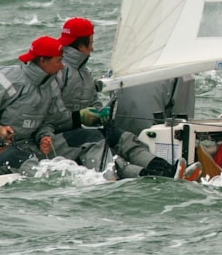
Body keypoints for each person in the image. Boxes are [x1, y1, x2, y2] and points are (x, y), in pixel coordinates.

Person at [0, 36, 111, 176]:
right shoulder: (7, 80)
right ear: (43, 61)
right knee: (39, 171)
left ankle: (105, 180)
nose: (62, 66)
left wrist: (45, 137)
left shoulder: (51, 84)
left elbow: (50, 122)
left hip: (36, 147)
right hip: (5, 152)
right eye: (59, 61)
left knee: (92, 137)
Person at [54, 17, 176, 178]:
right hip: (57, 137)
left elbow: (94, 103)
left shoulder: (84, 73)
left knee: (123, 137)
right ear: (82, 46)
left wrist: (101, 114)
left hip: (79, 133)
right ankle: (146, 174)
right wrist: (79, 117)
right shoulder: (57, 71)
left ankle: (163, 167)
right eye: (91, 43)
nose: (93, 48)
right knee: (100, 145)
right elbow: (49, 115)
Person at [113, 75, 196, 136]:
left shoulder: (121, 68)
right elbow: (183, 123)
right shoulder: (184, 74)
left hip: (118, 137)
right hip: (152, 138)